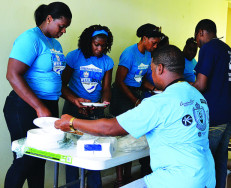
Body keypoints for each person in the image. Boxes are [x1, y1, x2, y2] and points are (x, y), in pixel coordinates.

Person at [55, 45, 216, 188]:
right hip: (206, 174)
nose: (152, 75)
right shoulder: (197, 95)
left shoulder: (159, 102)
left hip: (177, 179)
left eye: (152, 70)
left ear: (160, 68)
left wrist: (72, 121)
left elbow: (109, 127)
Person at [3, 2, 72, 188]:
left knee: (40, 157)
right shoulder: (30, 38)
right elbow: (12, 74)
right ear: (49, 19)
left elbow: (54, 79)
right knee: (25, 159)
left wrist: (75, 99)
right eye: (62, 26)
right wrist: (38, 106)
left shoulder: (55, 44)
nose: (64, 31)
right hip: (24, 106)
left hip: (47, 105)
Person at [109, 23, 162, 186]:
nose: (155, 46)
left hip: (135, 94)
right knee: (121, 137)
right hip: (122, 95)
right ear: (144, 38)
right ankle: (119, 179)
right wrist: (135, 101)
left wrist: (154, 89)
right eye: (153, 42)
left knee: (132, 136)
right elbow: (119, 81)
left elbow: (143, 80)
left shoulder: (148, 55)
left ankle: (127, 175)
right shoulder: (129, 53)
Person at [61, 24, 114, 188]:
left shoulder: (107, 61)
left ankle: (94, 185)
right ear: (87, 42)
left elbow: (106, 88)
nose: (100, 49)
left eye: (104, 46)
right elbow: (62, 85)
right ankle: (73, 185)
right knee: (71, 153)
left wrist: (103, 104)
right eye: (96, 44)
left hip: (94, 111)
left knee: (93, 151)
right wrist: (75, 101)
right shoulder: (74, 57)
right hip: (73, 109)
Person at [193, 19, 231, 188]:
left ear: (201, 33)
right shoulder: (228, 49)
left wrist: (180, 87)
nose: (198, 46)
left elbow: (200, 85)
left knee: (206, 159)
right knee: (221, 159)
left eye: (197, 41)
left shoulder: (208, 48)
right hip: (230, 112)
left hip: (215, 115)